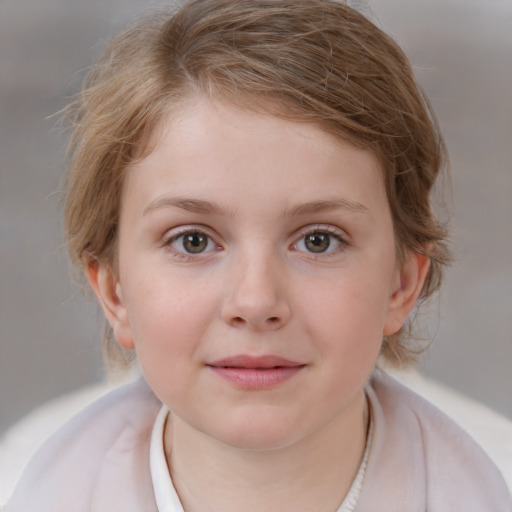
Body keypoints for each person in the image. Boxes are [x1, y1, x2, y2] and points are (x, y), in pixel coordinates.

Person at [4, 1, 511, 510]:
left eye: (318, 240)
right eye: (193, 240)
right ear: (114, 290)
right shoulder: (20, 483)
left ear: (401, 283)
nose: (256, 300)